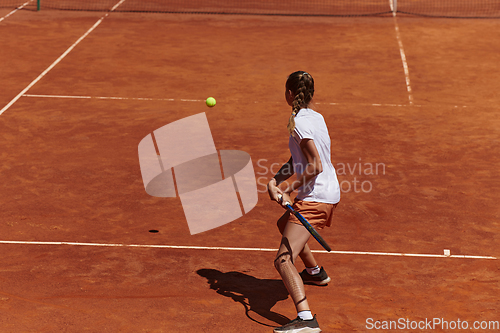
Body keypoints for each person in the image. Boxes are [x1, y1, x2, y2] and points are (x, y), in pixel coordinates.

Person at [267, 71, 341, 333]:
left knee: (283, 260)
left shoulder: (299, 122)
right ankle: (315, 272)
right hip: (325, 192)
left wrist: (287, 189)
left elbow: (315, 165)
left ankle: (306, 319)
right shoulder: (315, 118)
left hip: (316, 197)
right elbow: (297, 159)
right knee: (283, 223)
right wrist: (277, 180)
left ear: (289, 94)